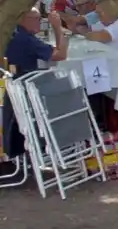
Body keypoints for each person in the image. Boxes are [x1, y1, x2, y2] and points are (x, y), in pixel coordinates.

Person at [3, 9, 71, 163]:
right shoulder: (26, 39)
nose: (39, 22)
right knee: (69, 88)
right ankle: (64, 139)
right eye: (35, 19)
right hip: (28, 94)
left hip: (15, 90)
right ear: (22, 19)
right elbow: (61, 55)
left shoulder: (14, 34)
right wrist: (57, 28)